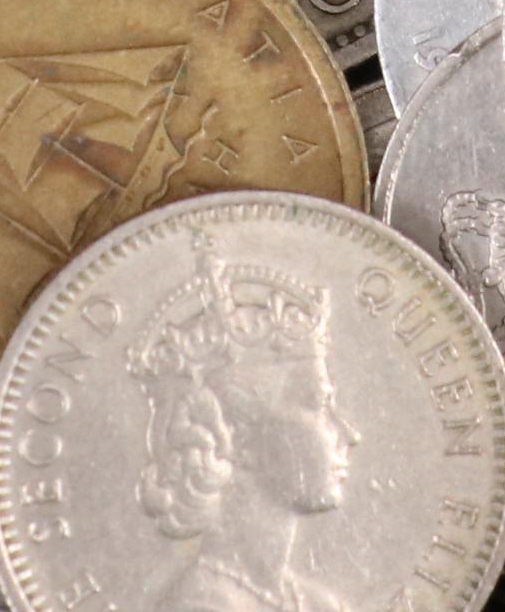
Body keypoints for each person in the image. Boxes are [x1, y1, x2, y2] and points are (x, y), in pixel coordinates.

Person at [128, 242, 357, 612]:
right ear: (237, 438)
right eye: (316, 405)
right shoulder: (201, 605)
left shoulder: (317, 603)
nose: (348, 433)